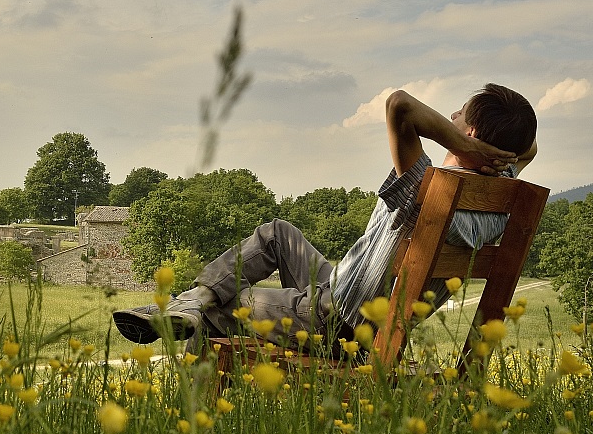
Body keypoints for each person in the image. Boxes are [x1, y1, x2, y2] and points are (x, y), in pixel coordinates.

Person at [113, 84, 539, 347]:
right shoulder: (500, 193)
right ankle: (192, 303)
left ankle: (191, 317)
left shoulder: (433, 191)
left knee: (227, 305)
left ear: (470, 136)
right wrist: (489, 155)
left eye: (459, 114)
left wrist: (469, 150)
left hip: (336, 322)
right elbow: (530, 148)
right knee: (277, 233)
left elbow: (400, 106)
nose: (449, 116)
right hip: (348, 298)